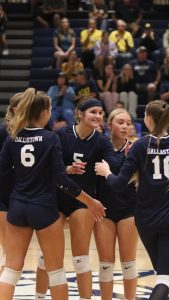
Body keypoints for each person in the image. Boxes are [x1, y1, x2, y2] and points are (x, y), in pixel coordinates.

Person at [0, 89, 105, 300]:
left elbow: (3, 174)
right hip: (44, 207)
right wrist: (89, 201)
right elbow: (61, 180)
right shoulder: (50, 138)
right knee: (56, 271)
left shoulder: (13, 139)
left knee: (11, 270)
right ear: (45, 112)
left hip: (18, 206)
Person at [95, 99, 169, 300]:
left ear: (149, 119)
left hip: (146, 220)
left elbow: (117, 184)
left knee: (161, 276)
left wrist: (107, 172)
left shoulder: (139, 146)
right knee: (165, 279)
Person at [35, 98, 117, 300]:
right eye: (93, 112)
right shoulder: (61, 135)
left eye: (100, 112)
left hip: (83, 201)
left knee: (80, 259)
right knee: (46, 257)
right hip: (56, 198)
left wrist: (114, 163)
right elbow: (47, 168)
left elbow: (113, 164)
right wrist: (66, 169)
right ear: (80, 113)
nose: (98, 116)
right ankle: (38, 297)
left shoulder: (102, 141)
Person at [94, 108, 138, 300]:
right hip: (103, 210)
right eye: (120, 122)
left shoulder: (136, 149)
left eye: (128, 123)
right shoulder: (98, 148)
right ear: (109, 125)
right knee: (106, 265)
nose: (125, 126)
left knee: (128, 264)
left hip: (128, 210)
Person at [0, 94, 22, 272]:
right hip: (3, 194)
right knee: (8, 251)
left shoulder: (32, 131)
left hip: (23, 194)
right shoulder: (3, 130)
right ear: (14, 108)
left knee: (14, 254)